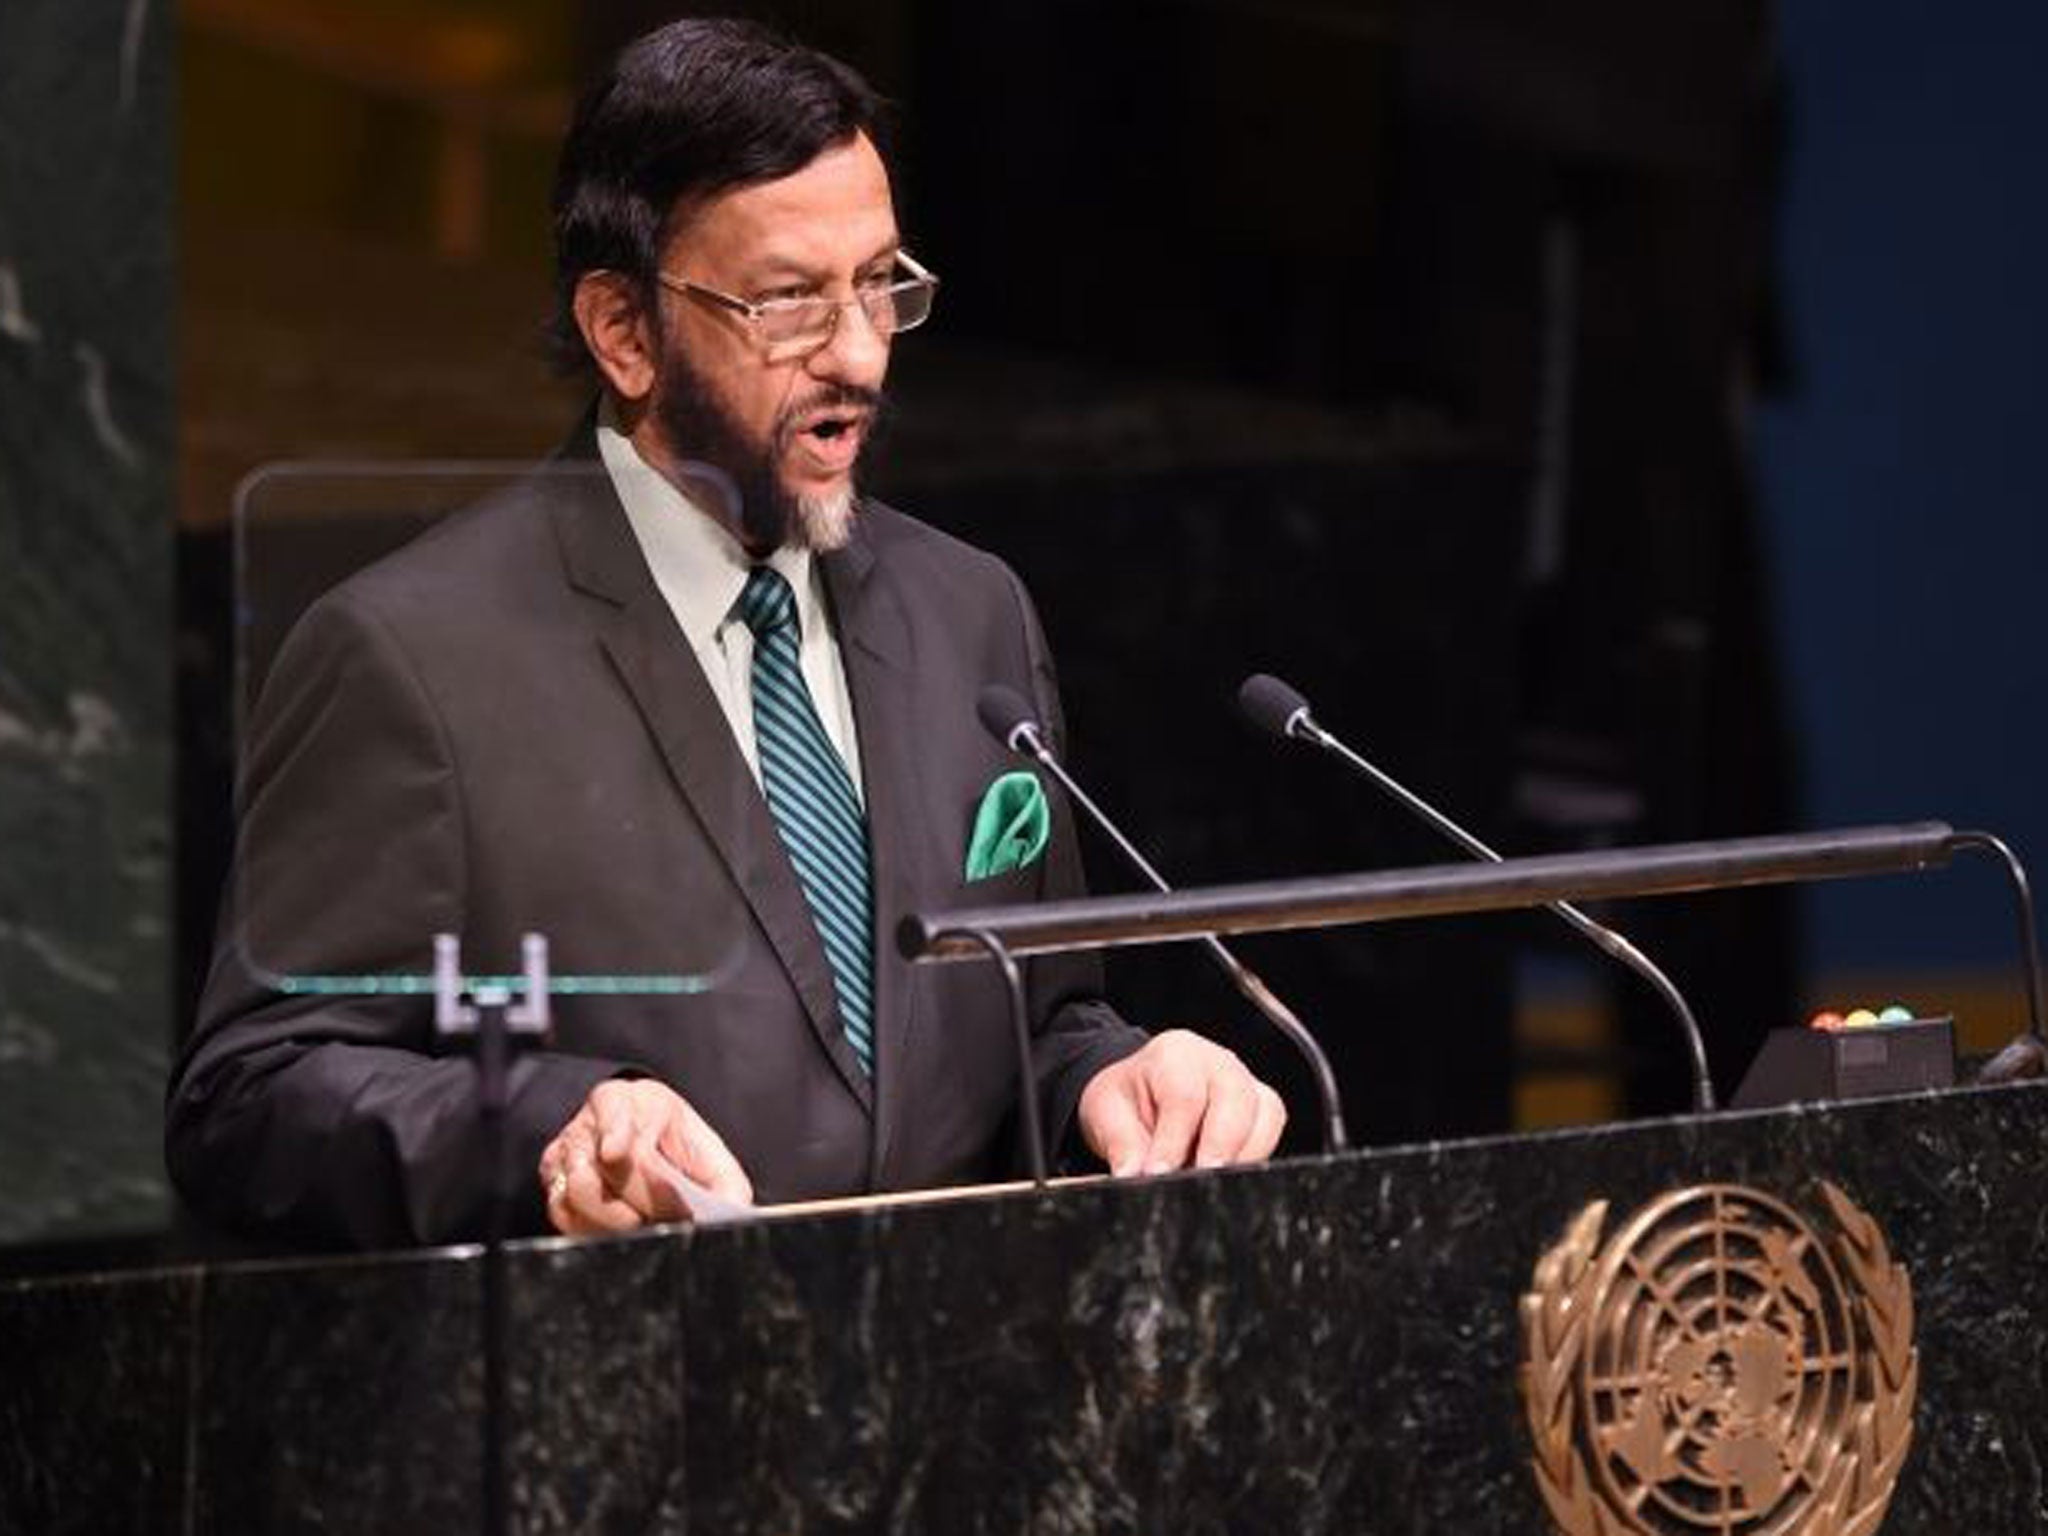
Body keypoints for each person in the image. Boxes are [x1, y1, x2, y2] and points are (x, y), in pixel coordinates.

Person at [166, 17, 1284, 1250]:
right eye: (790, 301)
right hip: (616, 1406)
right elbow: (252, 1096)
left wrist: (1107, 1083)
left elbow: (1030, 1027)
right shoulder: (411, 658)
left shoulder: (969, 612)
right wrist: (549, 1129)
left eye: (878, 285)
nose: (857, 355)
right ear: (624, 332)